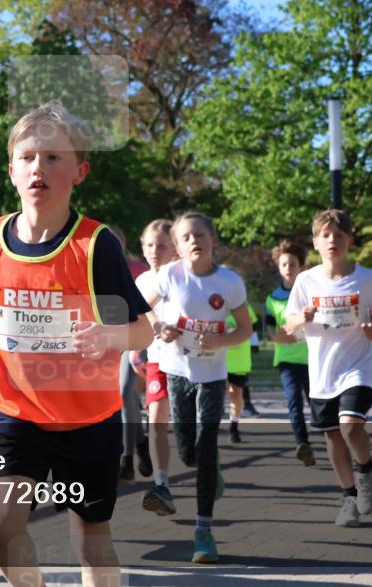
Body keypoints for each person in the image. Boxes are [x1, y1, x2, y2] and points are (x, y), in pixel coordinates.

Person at [0, 102, 153, 587]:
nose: (37, 167)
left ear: (79, 172)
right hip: (13, 410)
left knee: (91, 541)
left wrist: (108, 335)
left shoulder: (95, 245)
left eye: (53, 157)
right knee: (0, 530)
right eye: (27, 157)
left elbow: (143, 330)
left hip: (87, 416)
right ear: (12, 170)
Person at [140, 212, 253, 564]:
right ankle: (209, 465)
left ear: (213, 240)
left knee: (204, 449)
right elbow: (144, 307)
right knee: (188, 452)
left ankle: (204, 532)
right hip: (176, 371)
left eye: (200, 235)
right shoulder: (170, 275)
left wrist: (221, 340)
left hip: (213, 375)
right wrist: (159, 327)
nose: (194, 242)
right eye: (186, 237)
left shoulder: (230, 282)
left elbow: (245, 329)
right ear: (177, 246)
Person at [285, 209, 372, 527]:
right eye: (326, 235)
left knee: (351, 427)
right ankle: (349, 497)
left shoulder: (366, 278)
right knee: (333, 436)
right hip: (323, 371)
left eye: (339, 235)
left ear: (350, 241)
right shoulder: (306, 280)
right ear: (316, 242)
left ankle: (366, 469)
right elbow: (289, 323)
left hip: (358, 365)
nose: (332, 241)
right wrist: (302, 318)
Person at [133, 219, 178, 516]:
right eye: (149, 245)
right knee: (156, 418)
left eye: (161, 246)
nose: (154, 251)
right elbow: (136, 319)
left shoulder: (183, 276)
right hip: (158, 360)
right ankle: (161, 484)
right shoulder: (141, 282)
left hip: (190, 362)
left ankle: (208, 466)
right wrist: (134, 350)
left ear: (174, 248)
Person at [265, 239, 316, 466]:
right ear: (279, 267)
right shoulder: (273, 299)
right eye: (284, 264)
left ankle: (333, 439)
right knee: (293, 400)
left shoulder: (310, 295)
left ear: (301, 267)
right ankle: (302, 443)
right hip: (286, 359)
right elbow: (270, 329)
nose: (288, 268)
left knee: (316, 403)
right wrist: (281, 337)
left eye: (293, 264)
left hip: (312, 358)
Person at [109, 224, 152, 483]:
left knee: (124, 392)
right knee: (129, 399)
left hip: (134, 338)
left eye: (114, 241)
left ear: (123, 244)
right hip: (109, 341)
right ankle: (141, 445)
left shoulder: (137, 270)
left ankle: (125, 460)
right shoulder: (91, 269)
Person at [224, 303, 259, 443]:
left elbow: (254, 327)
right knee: (215, 395)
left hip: (238, 359)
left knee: (236, 394)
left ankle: (233, 427)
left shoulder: (244, 306)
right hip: (216, 359)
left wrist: (254, 342)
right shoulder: (211, 303)